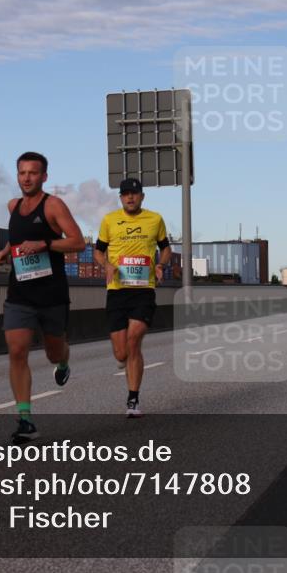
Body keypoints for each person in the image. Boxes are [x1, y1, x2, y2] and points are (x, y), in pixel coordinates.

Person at [0, 152, 85, 444]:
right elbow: (19, 238)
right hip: (19, 293)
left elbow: (78, 241)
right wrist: (6, 252)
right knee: (17, 350)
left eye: (33, 173)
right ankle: (25, 418)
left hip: (51, 294)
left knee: (53, 352)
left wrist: (44, 243)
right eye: (22, 173)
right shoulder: (13, 206)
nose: (27, 178)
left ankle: (63, 361)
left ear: (44, 176)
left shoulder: (53, 205)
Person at [93, 178, 172, 418]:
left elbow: (166, 248)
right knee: (121, 353)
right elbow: (98, 251)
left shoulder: (155, 219)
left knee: (134, 339)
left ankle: (133, 399)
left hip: (143, 289)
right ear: (120, 197)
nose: (130, 198)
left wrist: (160, 265)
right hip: (117, 290)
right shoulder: (109, 220)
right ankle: (125, 361)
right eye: (125, 194)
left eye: (134, 194)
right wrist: (105, 264)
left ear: (142, 196)